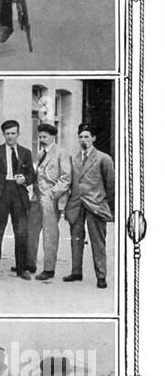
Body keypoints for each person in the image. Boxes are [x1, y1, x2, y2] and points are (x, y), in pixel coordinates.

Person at [0, 119, 36, 280]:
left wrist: (24, 180)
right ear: (3, 134)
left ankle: (22, 269)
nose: (10, 137)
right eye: (7, 134)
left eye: (13, 133)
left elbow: (32, 175)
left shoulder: (25, 152)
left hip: (19, 194)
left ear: (18, 134)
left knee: (21, 232)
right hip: (1, 194)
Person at [63, 123, 114, 289]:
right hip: (77, 204)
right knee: (76, 239)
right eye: (81, 137)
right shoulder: (74, 158)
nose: (83, 140)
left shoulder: (103, 158)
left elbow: (110, 184)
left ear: (93, 138)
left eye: (86, 136)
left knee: (97, 241)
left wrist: (107, 204)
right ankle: (76, 272)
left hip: (96, 204)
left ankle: (101, 276)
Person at [27, 120, 72, 282]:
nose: (42, 139)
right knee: (31, 231)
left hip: (51, 199)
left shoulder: (61, 153)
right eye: (40, 137)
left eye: (45, 137)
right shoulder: (40, 153)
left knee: (50, 235)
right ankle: (30, 263)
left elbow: (66, 178)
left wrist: (52, 193)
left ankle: (48, 269)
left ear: (53, 137)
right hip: (36, 198)